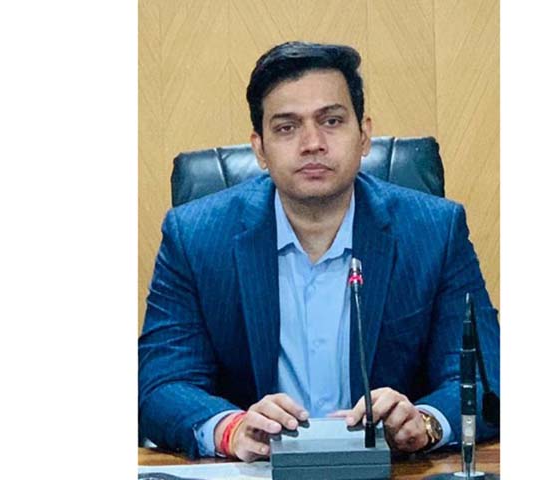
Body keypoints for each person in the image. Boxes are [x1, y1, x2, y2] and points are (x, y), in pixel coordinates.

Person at [138, 41, 500, 462]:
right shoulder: (195, 237)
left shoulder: (435, 231)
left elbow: (485, 379)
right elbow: (160, 386)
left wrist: (425, 421)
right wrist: (231, 430)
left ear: (364, 135)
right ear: (259, 148)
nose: (312, 143)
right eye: (286, 127)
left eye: (331, 121)